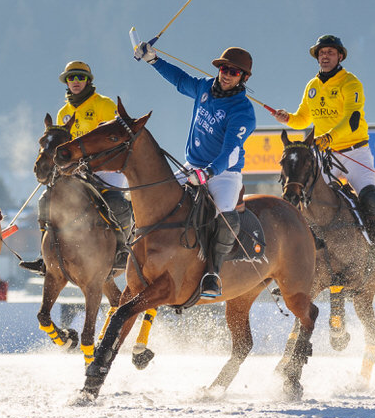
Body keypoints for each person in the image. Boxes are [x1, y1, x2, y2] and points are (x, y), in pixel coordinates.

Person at [272, 34, 375, 282]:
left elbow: (352, 120)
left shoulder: (351, 83)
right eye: (321, 52)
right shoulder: (312, 86)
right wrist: (287, 118)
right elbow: (303, 118)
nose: (325, 56)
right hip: (325, 154)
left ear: (340, 56)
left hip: (355, 153)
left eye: (330, 52)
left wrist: (329, 137)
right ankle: (293, 261)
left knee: (371, 200)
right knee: (301, 198)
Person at [133, 42, 256, 299]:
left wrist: (209, 173)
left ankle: (213, 273)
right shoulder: (203, 88)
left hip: (223, 173)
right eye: (224, 68)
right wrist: (154, 60)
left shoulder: (243, 112)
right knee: (154, 197)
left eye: (233, 72)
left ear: (243, 78)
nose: (226, 74)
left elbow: (230, 151)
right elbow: (179, 80)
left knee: (225, 216)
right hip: (191, 165)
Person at [19, 60, 132, 275]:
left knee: (116, 204)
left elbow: (117, 138)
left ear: (88, 81)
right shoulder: (64, 112)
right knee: (46, 201)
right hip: (76, 171)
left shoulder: (104, 104)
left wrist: (94, 160)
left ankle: (122, 249)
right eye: (72, 78)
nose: (76, 81)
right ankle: (46, 256)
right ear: (67, 82)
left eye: (81, 77)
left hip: (105, 169)